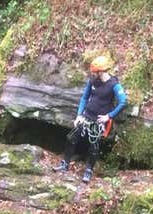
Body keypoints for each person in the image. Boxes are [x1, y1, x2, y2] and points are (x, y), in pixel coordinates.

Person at [52, 55, 127, 183]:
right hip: (86, 117)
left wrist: (109, 116)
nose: (93, 74)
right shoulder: (92, 81)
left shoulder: (114, 85)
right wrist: (79, 115)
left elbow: (123, 102)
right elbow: (84, 98)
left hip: (98, 121)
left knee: (93, 146)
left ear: (101, 71)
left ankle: (88, 171)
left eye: (95, 72)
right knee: (71, 138)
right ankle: (65, 164)